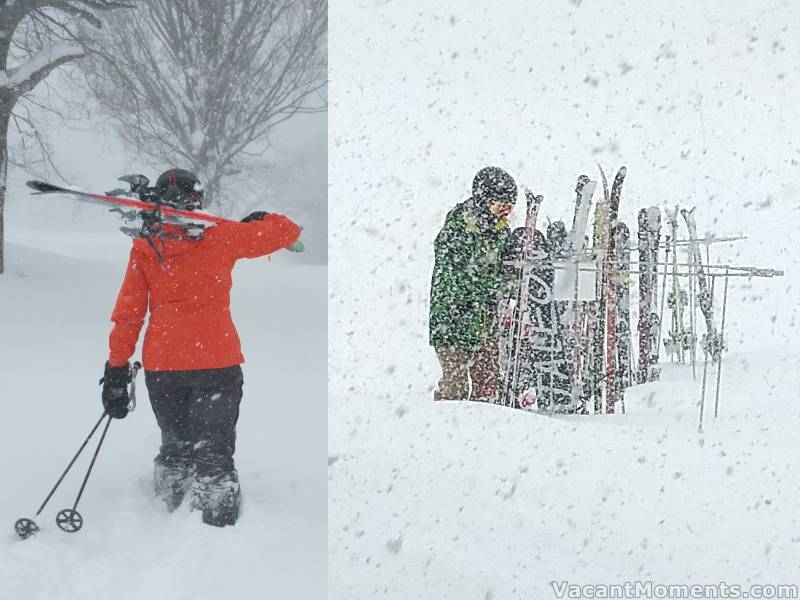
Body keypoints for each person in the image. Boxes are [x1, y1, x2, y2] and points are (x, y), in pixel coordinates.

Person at [100, 168, 301, 527]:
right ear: (198, 201)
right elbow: (288, 231)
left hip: (164, 367)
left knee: (176, 448)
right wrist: (262, 220)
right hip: (216, 362)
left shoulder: (145, 247)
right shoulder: (224, 237)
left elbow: (129, 315)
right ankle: (216, 527)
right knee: (213, 452)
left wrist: (117, 367)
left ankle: (166, 508)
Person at [429, 166, 517, 403]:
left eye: (509, 209)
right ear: (483, 201)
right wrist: (499, 286)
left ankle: (484, 431)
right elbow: (460, 279)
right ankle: (445, 426)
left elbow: (500, 270)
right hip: (452, 323)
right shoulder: (458, 229)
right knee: (455, 388)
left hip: (483, 323)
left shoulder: (500, 232)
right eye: (500, 207)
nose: (504, 215)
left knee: (486, 386)